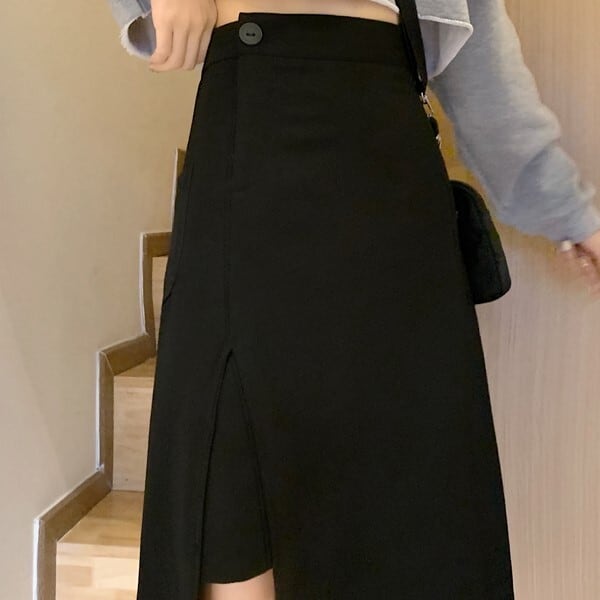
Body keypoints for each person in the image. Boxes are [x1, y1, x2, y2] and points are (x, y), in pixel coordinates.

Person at [102, 1, 600, 599]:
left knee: (410, 508)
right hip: (249, 158)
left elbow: (487, 81)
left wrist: (575, 216)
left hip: (390, 193)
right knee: (229, 506)